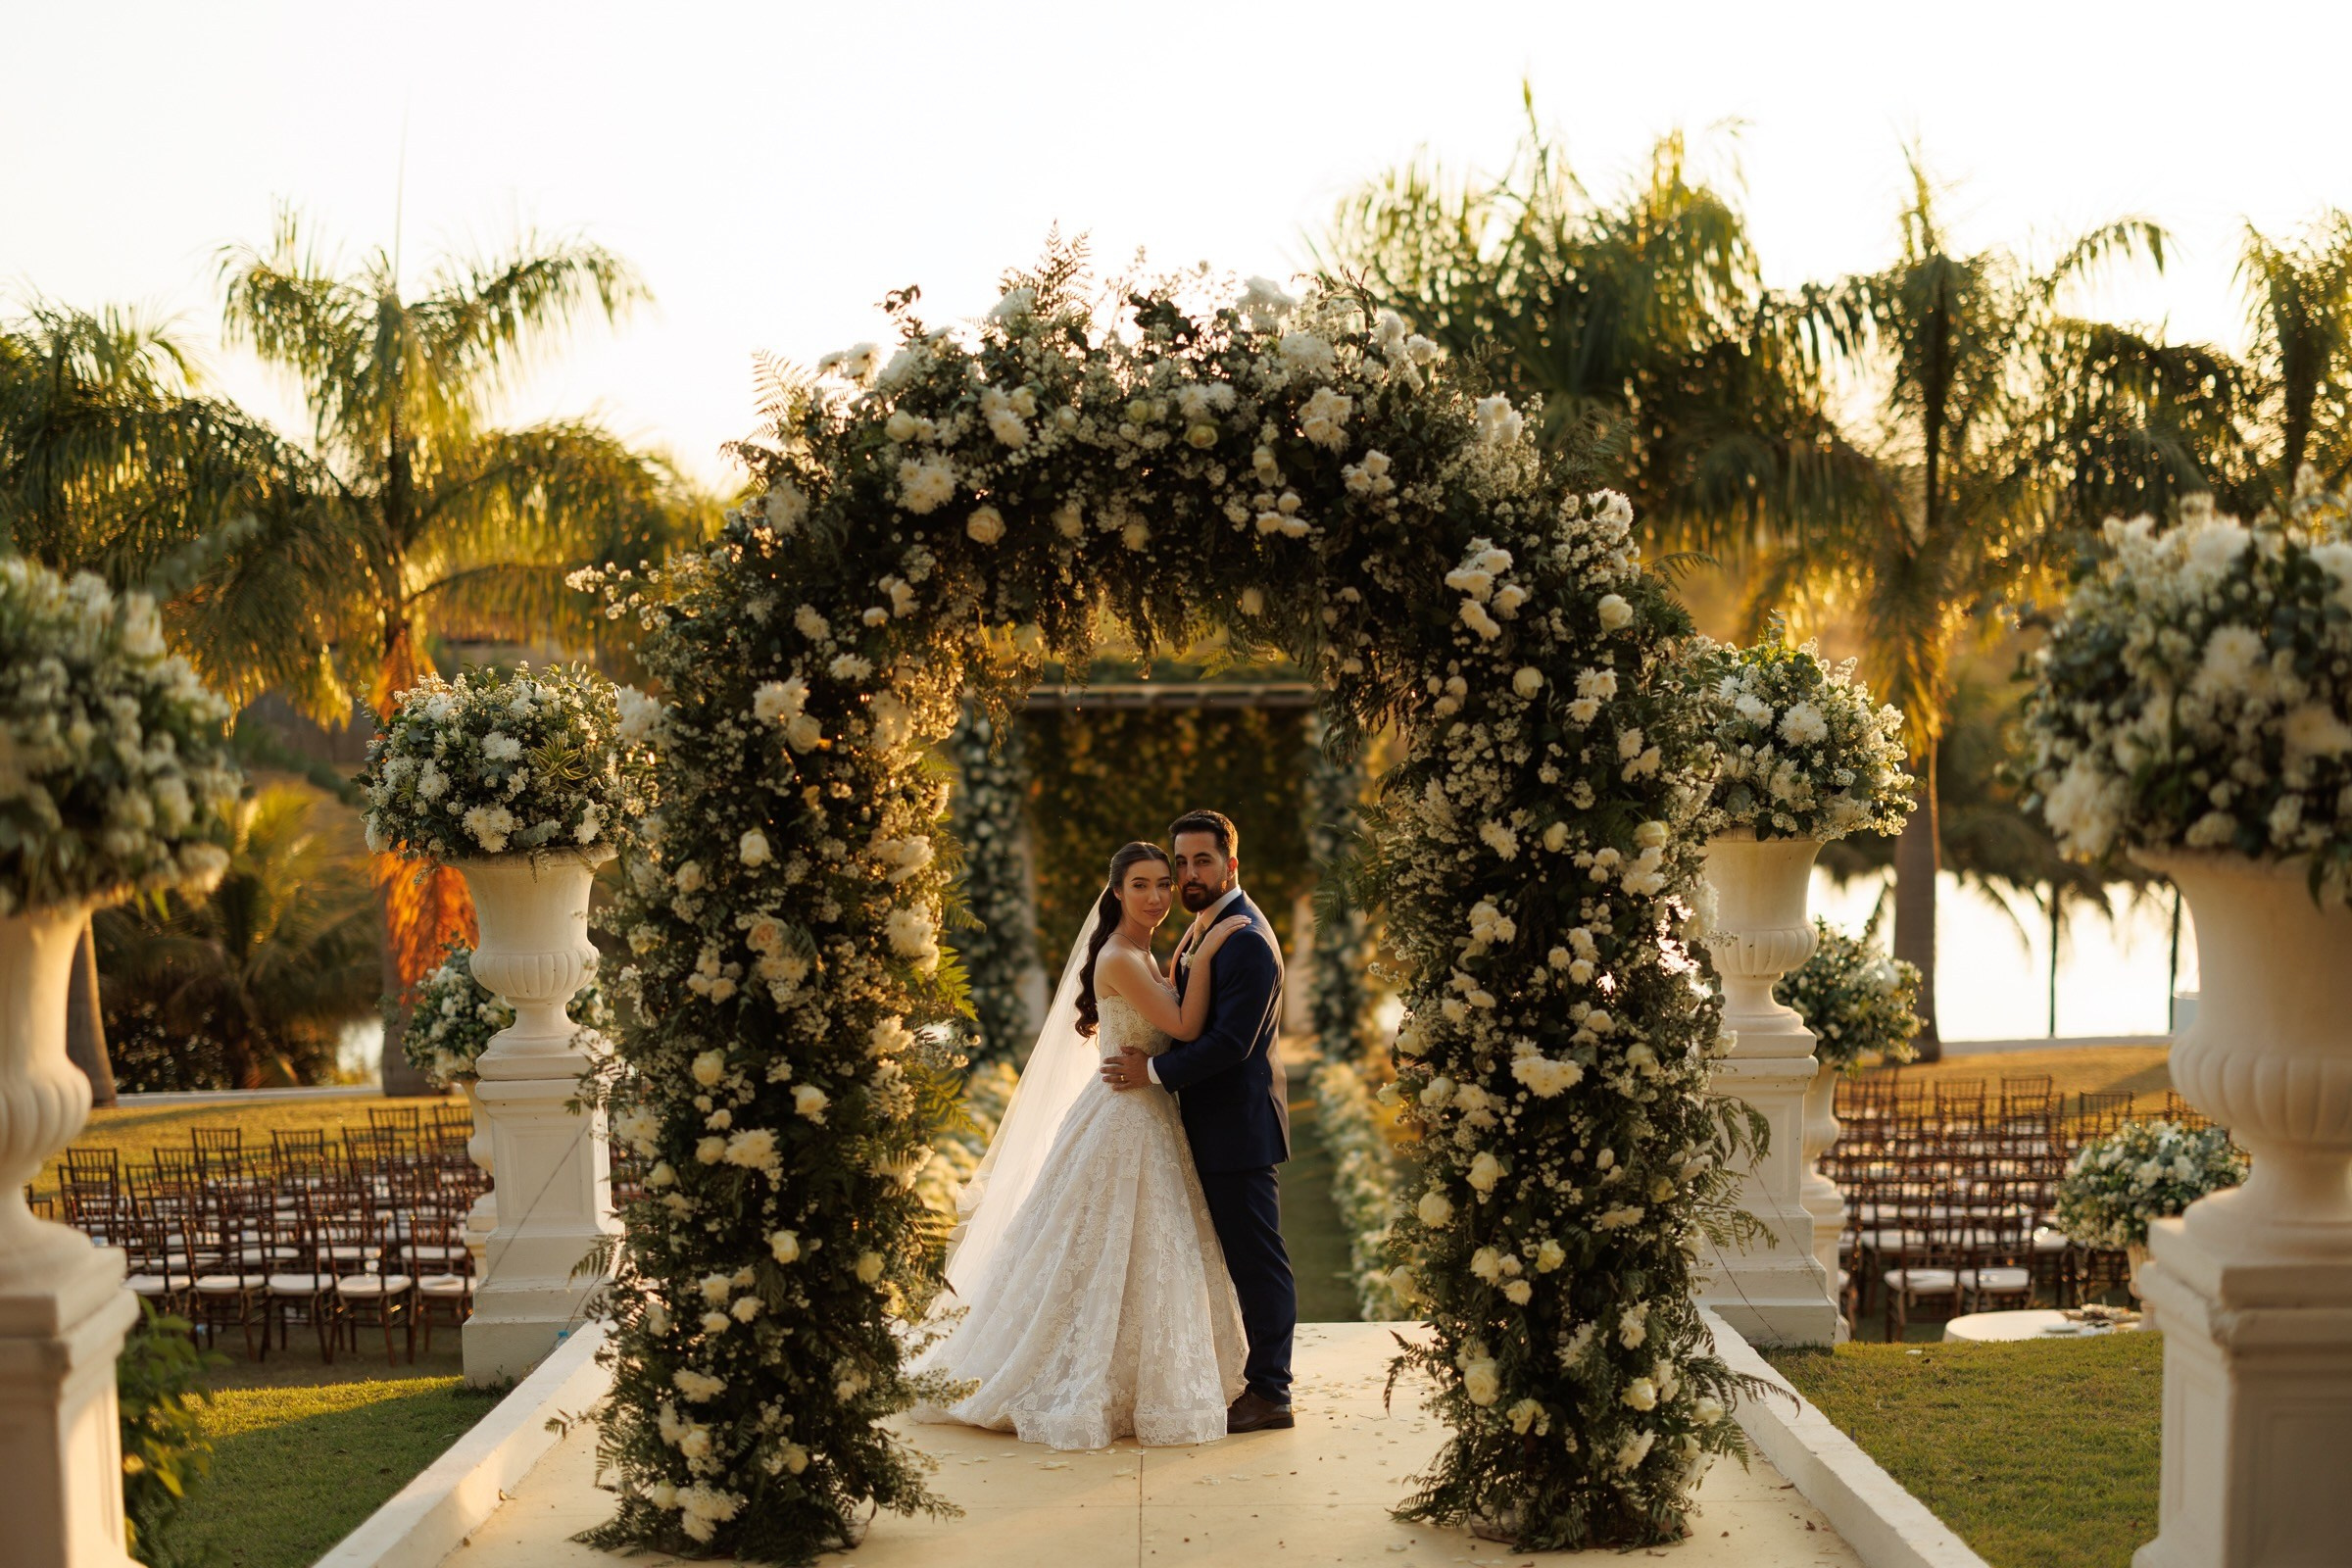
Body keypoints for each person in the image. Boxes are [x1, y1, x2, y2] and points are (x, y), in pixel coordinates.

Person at [910, 840, 1252, 1449]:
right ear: (1116, 892)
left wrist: (1184, 957)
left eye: (1162, 885)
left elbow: (1165, 1010)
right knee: (1101, 1240)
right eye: (1141, 885)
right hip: (1124, 1117)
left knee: (1144, 1243)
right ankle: (1074, 1371)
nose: (1155, 896)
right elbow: (1183, 1026)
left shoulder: (1144, 952)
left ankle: (1137, 1369)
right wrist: (1209, 952)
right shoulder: (1121, 956)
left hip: (1147, 1109)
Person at [1101, 808, 1297, 1434]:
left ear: (1231, 864)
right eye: (1180, 862)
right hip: (1204, 1125)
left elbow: (1229, 1043)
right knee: (1224, 1257)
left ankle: (1271, 1393)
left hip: (1237, 1127)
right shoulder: (1205, 930)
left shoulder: (1244, 938)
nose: (1187, 874)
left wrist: (1153, 1074)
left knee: (1257, 1259)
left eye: (1201, 861)